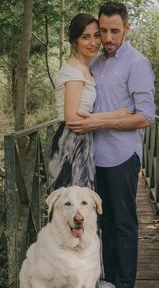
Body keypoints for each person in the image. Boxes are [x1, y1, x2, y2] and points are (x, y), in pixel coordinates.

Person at [66, 2, 155, 288]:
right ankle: (109, 280)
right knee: (101, 222)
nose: (107, 37)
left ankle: (126, 287)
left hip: (121, 155)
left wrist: (97, 121)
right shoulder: (97, 62)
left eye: (114, 30)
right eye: (102, 31)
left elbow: (145, 116)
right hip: (93, 157)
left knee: (123, 221)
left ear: (127, 28)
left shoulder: (137, 64)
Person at [48, 13, 131, 191]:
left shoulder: (87, 68)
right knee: (72, 205)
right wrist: (114, 115)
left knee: (83, 205)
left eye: (96, 35)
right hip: (70, 141)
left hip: (84, 138)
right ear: (74, 41)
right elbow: (71, 118)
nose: (93, 42)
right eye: (85, 37)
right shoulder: (73, 71)